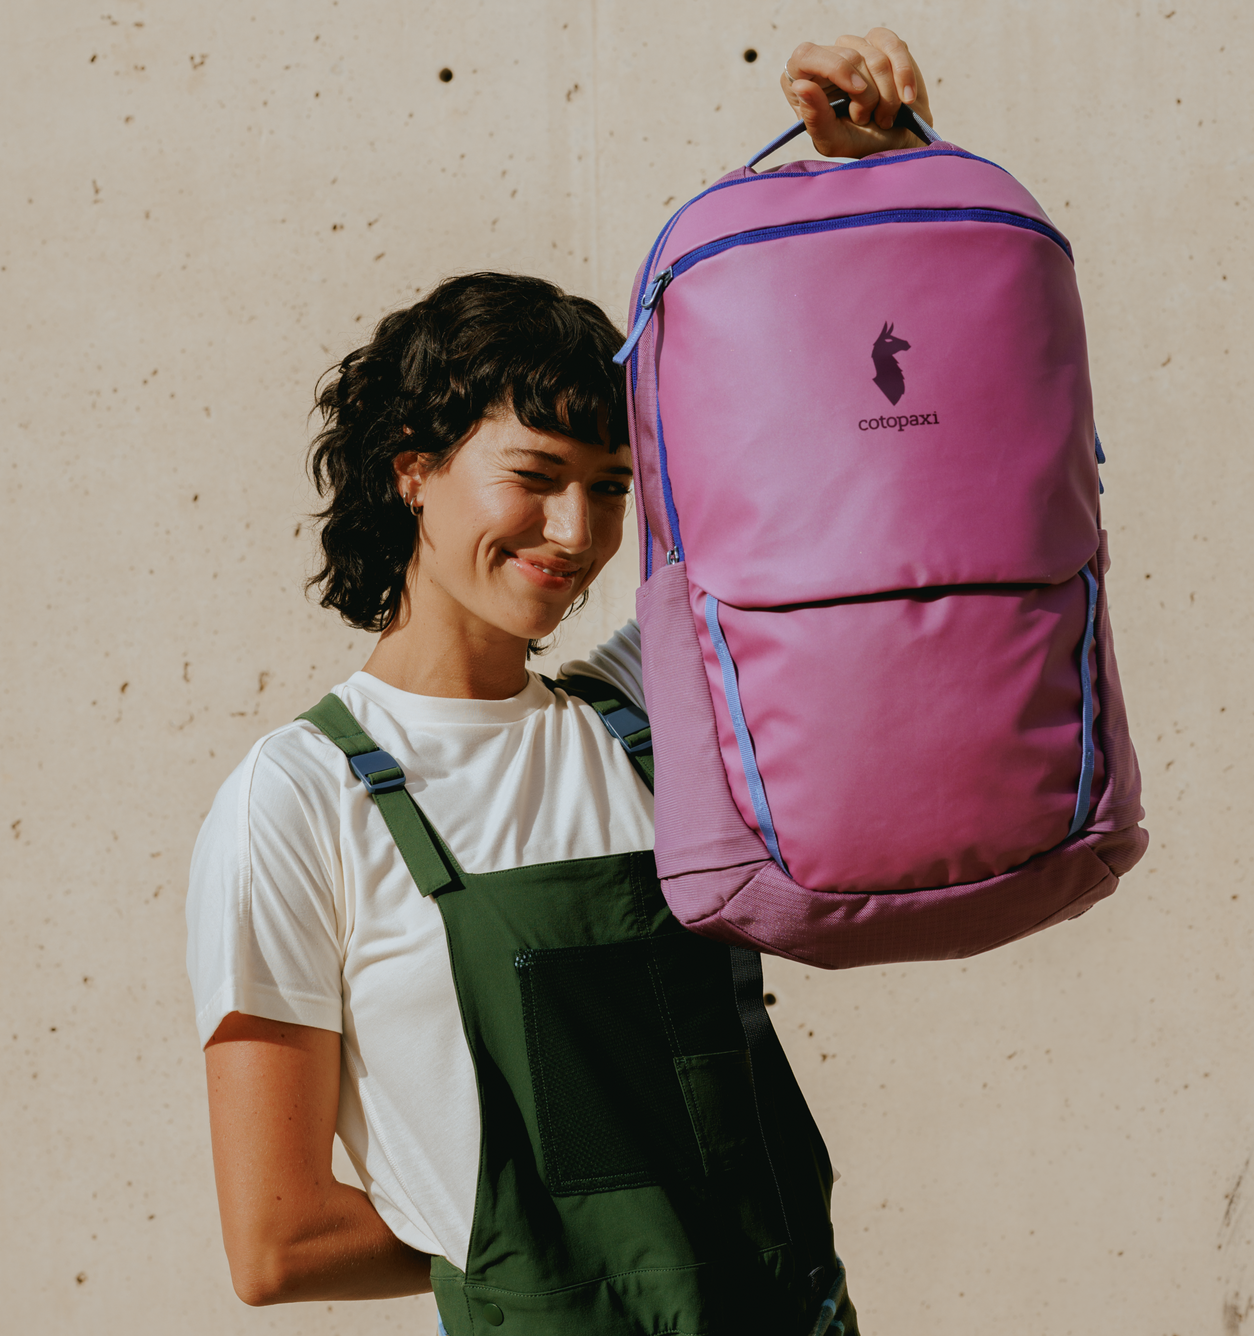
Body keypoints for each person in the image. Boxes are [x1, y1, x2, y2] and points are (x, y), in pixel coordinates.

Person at [187, 30, 933, 1335]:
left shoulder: (651, 707)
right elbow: (278, 1239)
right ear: (413, 469)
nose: (578, 535)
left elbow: (862, 481)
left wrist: (877, 189)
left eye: (609, 488)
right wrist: (565, 1247)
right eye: (534, 478)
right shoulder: (299, 805)